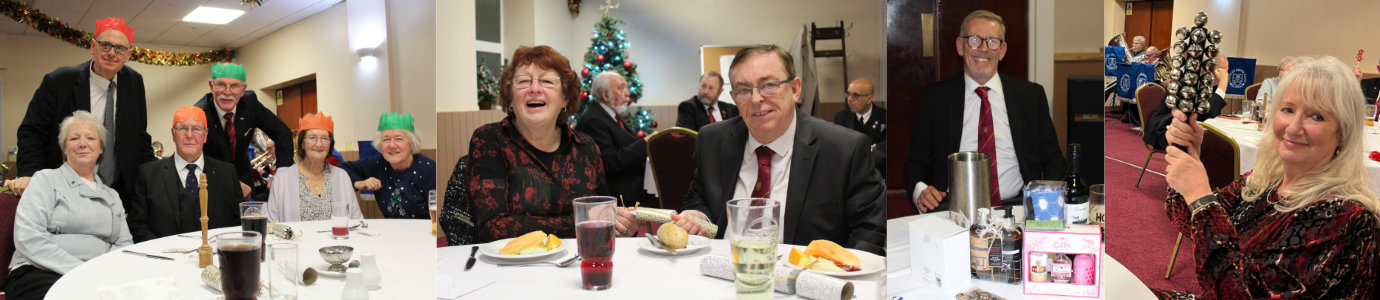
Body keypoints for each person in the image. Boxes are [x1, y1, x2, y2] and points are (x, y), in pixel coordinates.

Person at [1156, 56, 1379, 299]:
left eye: (1317, 116)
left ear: (1343, 132)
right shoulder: (1266, 182)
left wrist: (1200, 196)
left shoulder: (1346, 216)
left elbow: (1240, 293)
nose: (1293, 127)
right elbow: (1186, 219)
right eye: (1288, 110)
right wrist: (1189, 156)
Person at [664, 45, 886, 255]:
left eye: (769, 85)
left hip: (806, 274)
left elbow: (869, 230)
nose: (756, 99)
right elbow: (698, 196)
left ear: (795, 89)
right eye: (743, 90)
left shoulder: (844, 149)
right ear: (734, 99)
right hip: (722, 267)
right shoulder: (712, 140)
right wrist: (699, 215)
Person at [903, 10, 1067, 213]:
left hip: (1018, 205)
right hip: (954, 208)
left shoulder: (1031, 96)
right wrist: (920, 191)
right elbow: (916, 162)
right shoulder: (937, 97)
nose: (983, 49)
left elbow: (1053, 159)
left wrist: (1045, 199)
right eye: (974, 40)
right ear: (960, 46)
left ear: (1002, 50)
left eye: (992, 41)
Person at [458, 46, 607, 243]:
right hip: (512, 261)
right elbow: (492, 227)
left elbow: (603, 213)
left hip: (577, 258)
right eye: (523, 81)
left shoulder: (585, 147)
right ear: (510, 97)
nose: (534, 89)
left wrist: (622, 224)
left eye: (547, 81)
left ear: (565, 98)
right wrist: (581, 222)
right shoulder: (490, 140)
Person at [7, 18, 153, 206]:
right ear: (93, 46)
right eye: (105, 45)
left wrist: (154, 178)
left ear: (128, 55)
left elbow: (140, 137)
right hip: (64, 189)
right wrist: (29, 174)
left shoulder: (134, 82)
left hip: (119, 191)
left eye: (120, 48)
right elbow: (32, 132)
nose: (111, 53)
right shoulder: (59, 82)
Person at [6, 111, 133, 300]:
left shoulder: (112, 196)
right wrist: (81, 271)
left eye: (90, 138)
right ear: (65, 148)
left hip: (96, 277)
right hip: (39, 271)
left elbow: (124, 245)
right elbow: (28, 237)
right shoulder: (45, 180)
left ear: (101, 148)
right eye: (74, 138)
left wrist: (103, 272)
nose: (82, 143)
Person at [128, 106, 242, 242]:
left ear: (205, 135)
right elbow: (138, 226)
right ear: (173, 134)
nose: (189, 135)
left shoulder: (227, 173)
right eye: (182, 128)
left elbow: (239, 224)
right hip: (165, 254)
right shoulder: (148, 175)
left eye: (196, 129)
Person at [193, 62, 295, 202]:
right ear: (211, 86)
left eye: (234, 86)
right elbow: (193, 159)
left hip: (243, 177)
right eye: (221, 85)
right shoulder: (200, 114)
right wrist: (232, 183)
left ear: (243, 90)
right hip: (211, 181)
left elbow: (282, 133)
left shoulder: (250, 103)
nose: (227, 92)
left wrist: (281, 175)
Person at [574, 71, 653, 208]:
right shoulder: (593, 120)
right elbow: (609, 162)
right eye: (621, 88)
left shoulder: (610, 115)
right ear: (605, 95)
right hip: (615, 196)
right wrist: (645, 143)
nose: (628, 93)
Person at [266, 113, 362, 222]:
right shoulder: (282, 178)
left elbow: (357, 220)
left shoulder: (342, 177)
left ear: (330, 144)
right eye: (312, 138)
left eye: (325, 138)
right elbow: (272, 224)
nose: (319, 144)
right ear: (302, 143)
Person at [339, 113, 437, 219]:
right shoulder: (377, 164)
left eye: (399, 139)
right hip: (391, 228)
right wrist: (358, 183)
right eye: (386, 140)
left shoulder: (429, 169)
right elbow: (340, 169)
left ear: (411, 144)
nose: (392, 145)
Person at [1144, 53, 1230, 150]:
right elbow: (1207, 114)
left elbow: (1210, 116)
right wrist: (1223, 83)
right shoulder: (1187, 85)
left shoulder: (1208, 85)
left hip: (1185, 129)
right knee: (1216, 147)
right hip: (1164, 130)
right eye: (1223, 71)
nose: (1226, 75)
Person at [833, 78, 887, 175]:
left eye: (856, 95)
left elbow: (883, 153)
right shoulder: (841, 118)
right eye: (848, 94)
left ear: (869, 99)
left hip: (877, 173)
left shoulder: (885, 117)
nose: (849, 99)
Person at [675, 72, 740, 131]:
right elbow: (688, 137)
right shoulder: (687, 107)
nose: (706, 92)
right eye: (703, 86)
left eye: (711, 88)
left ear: (720, 91)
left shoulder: (732, 110)